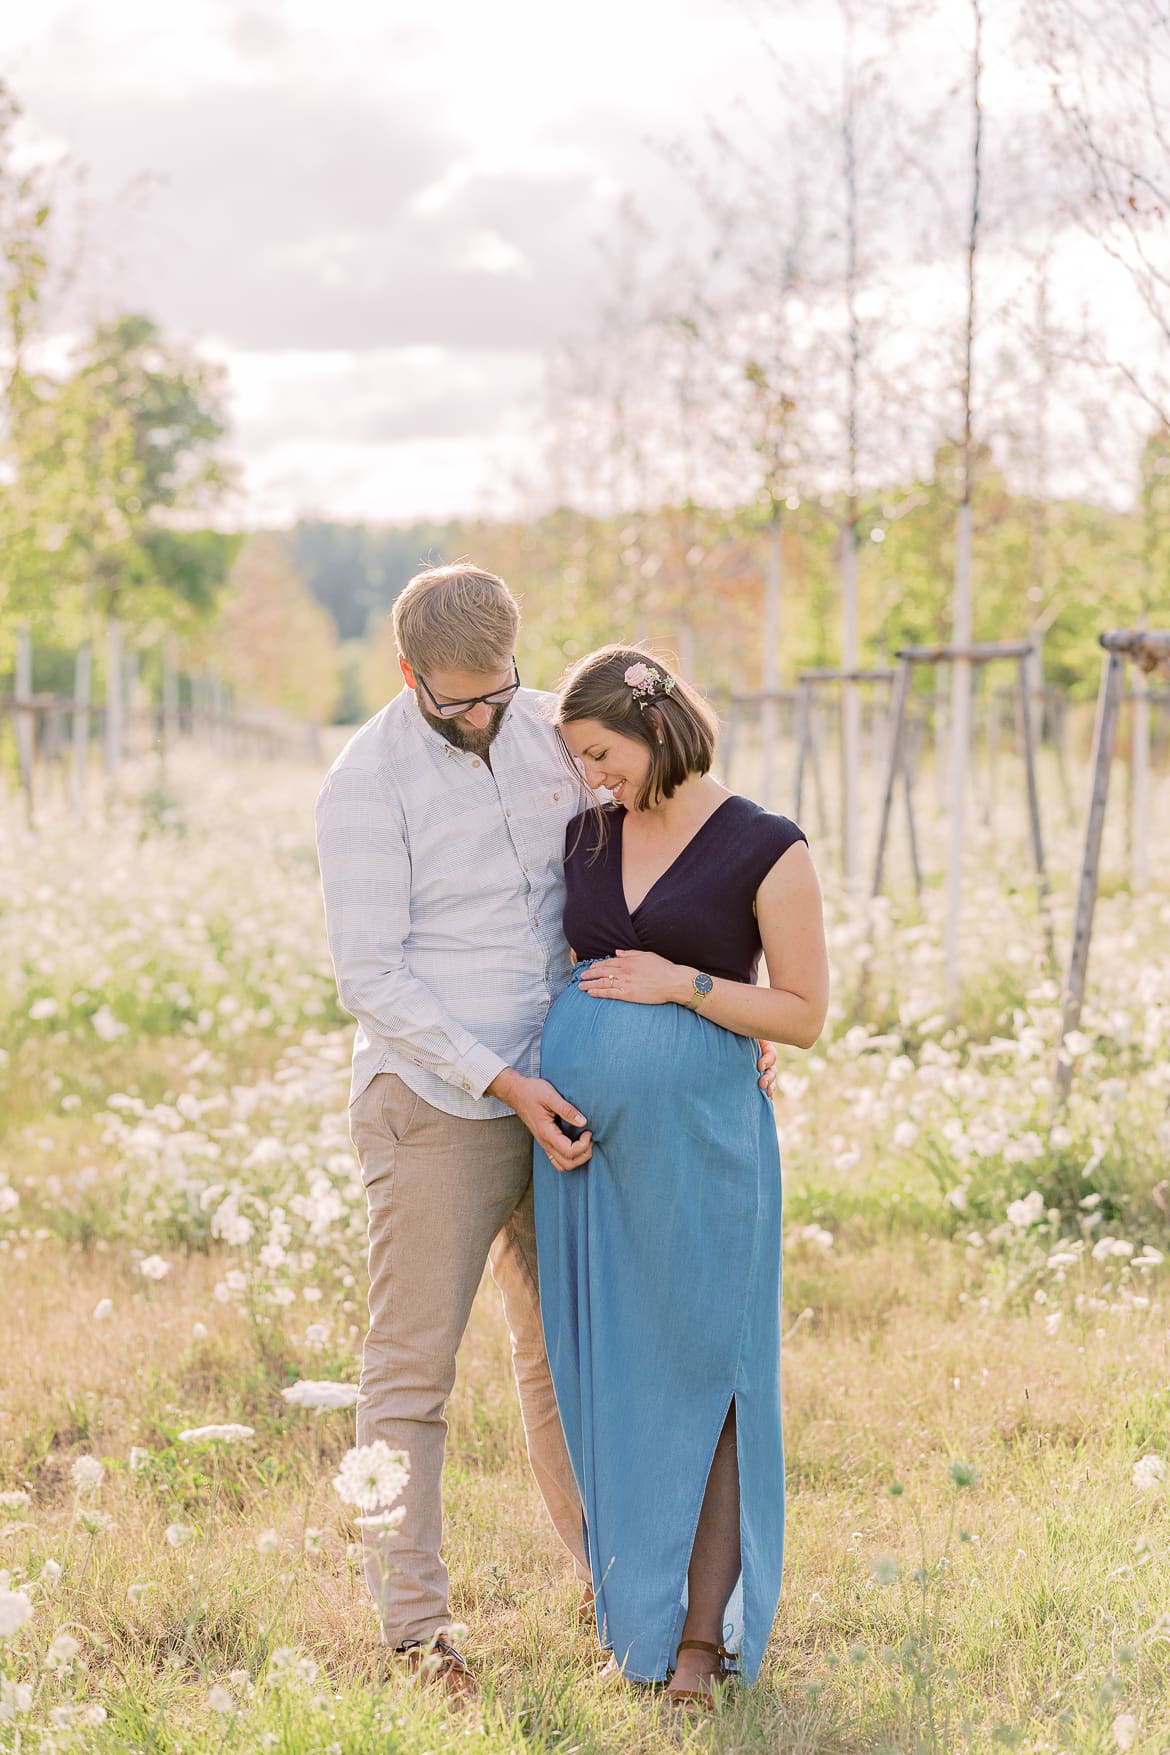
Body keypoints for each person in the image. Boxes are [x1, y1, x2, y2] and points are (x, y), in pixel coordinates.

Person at [314, 567, 777, 1698]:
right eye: (456, 702)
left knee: (567, 1358)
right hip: (442, 1102)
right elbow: (371, 975)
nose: (483, 718)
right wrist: (501, 1083)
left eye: (497, 694)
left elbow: (644, 863)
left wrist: (725, 1006)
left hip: (574, 1092)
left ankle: (612, 1588)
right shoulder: (364, 786)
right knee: (411, 1372)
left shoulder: (547, 733)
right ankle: (415, 1629)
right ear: (409, 673)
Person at [533, 645, 829, 1708]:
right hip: (583, 1165)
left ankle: (700, 1639)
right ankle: (633, 1614)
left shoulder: (766, 845)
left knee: (710, 1371)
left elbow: (801, 1013)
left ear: (655, 730)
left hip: (704, 1149)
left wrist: (686, 987)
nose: (592, 776)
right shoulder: (586, 834)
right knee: (610, 1375)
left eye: (603, 754)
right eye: (579, 761)